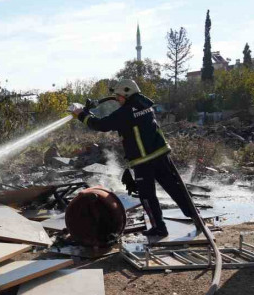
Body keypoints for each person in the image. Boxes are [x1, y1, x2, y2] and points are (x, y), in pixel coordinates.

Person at [71, 79, 197, 237]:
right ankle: (195, 216)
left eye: (119, 96)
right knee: (175, 188)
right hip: (161, 155)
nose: (117, 99)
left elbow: (101, 125)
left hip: (143, 161)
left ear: (126, 94)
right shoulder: (145, 106)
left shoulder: (125, 112)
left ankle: (159, 228)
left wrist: (81, 114)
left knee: (147, 197)